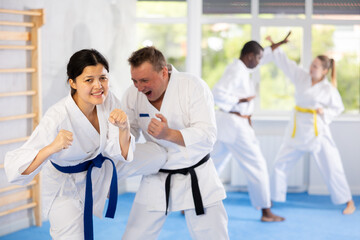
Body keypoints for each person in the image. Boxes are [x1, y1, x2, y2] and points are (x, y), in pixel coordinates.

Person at [4, 49, 166, 240]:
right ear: (73, 83)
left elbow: (121, 152)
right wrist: (52, 147)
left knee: (159, 154)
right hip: (66, 186)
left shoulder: (109, 100)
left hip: (99, 168)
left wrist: (124, 128)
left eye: (103, 78)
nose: (98, 86)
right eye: (89, 80)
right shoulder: (57, 116)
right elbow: (14, 168)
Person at [121, 46, 229, 240]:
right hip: (157, 174)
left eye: (145, 80)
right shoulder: (133, 94)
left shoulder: (192, 86)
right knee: (134, 236)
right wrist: (120, 130)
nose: (139, 87)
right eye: (134, 81)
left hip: (197, 175)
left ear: (164, 72)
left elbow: (208, 135)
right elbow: (131, 133)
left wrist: (169, 134)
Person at [268, 33, 356, 215]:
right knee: (279, 164)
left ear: (324, 71)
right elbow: (287, 65)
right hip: (298, 128)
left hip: (318, 131)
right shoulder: (301, 76)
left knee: (332, 167)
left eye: (315, 66)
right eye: (311, 64)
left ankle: (348, 201)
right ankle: (274, 198)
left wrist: (326, 112)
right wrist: (275, 47)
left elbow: (338, 107)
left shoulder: (328, 89)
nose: (311, 67)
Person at [211, 40, 286, 222]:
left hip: (230, 123)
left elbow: (263, 56)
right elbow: (217, 93)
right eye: (258, 58)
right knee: (257, 165)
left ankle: (190, 204)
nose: (260, 62)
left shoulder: (242, 68)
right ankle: (266, 211)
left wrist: (274, 47)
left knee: (212, 165)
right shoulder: (236, 70)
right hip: (236, 125)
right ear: (250, 56)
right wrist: (241, 100)